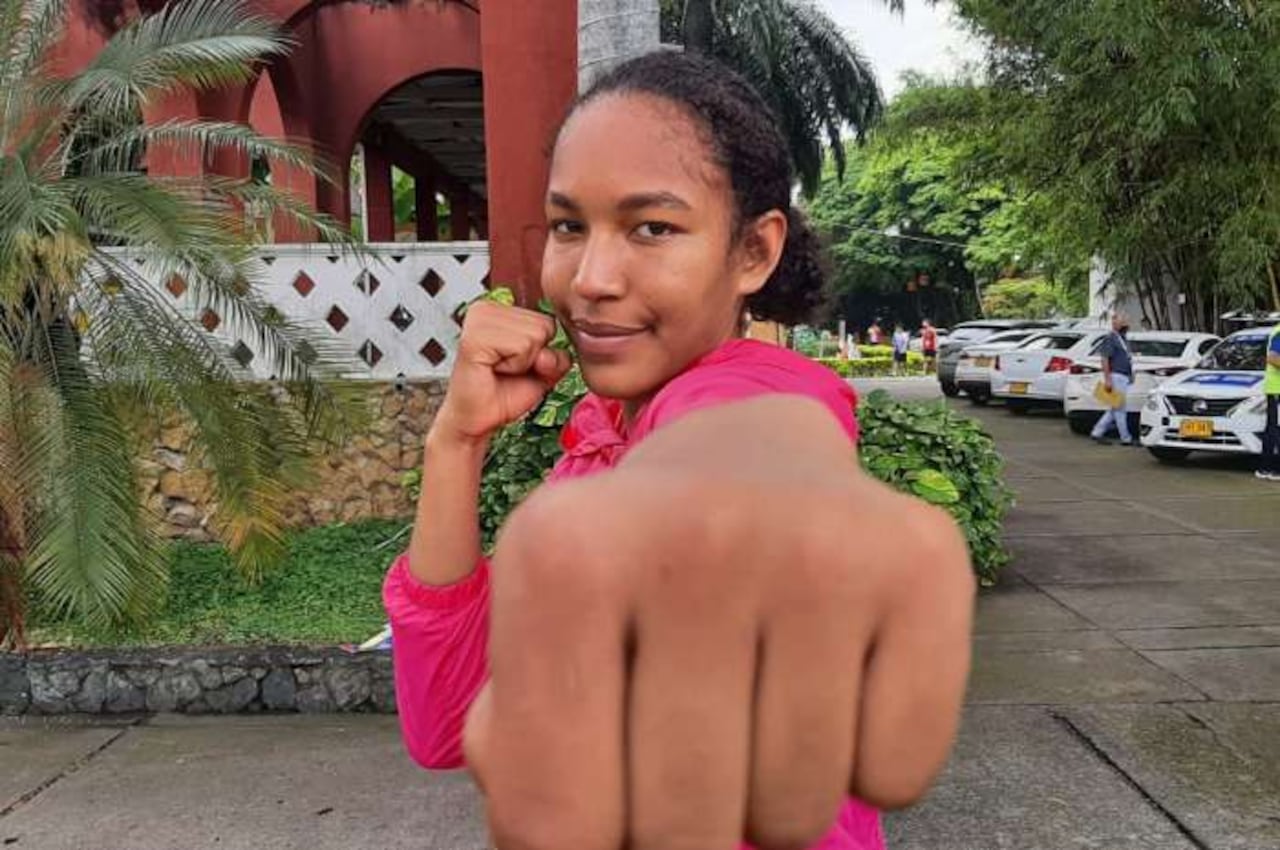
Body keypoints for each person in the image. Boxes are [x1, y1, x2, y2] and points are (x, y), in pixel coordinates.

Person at [384, 51, 973, 850]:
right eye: (568, 226)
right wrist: (455, 442)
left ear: (753, 253)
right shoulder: (601, 430)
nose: (590, 277)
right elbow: (445, 727)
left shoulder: (752, 392)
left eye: (651, 228)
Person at [1091, 312, 1135, 446]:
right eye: (1124, 322)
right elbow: (1104, 359)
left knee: (1115, 408)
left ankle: (1097, 432)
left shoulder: (1122, 338)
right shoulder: (1111, 338)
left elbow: (1127, 358)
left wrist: (1130, 374)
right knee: (1120, 408)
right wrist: (1108, 379)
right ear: (1116, 324)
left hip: (1123, 376)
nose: (1127, 325)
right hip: (1116, 376)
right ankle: (1126, 438)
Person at [1259, 319, 1280, 481]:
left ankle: (1266, 468)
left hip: (1275, 389)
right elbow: (1273, 358)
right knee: (1275, 430)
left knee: (1272, 428)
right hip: (1277, 390)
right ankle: (1273, 469)